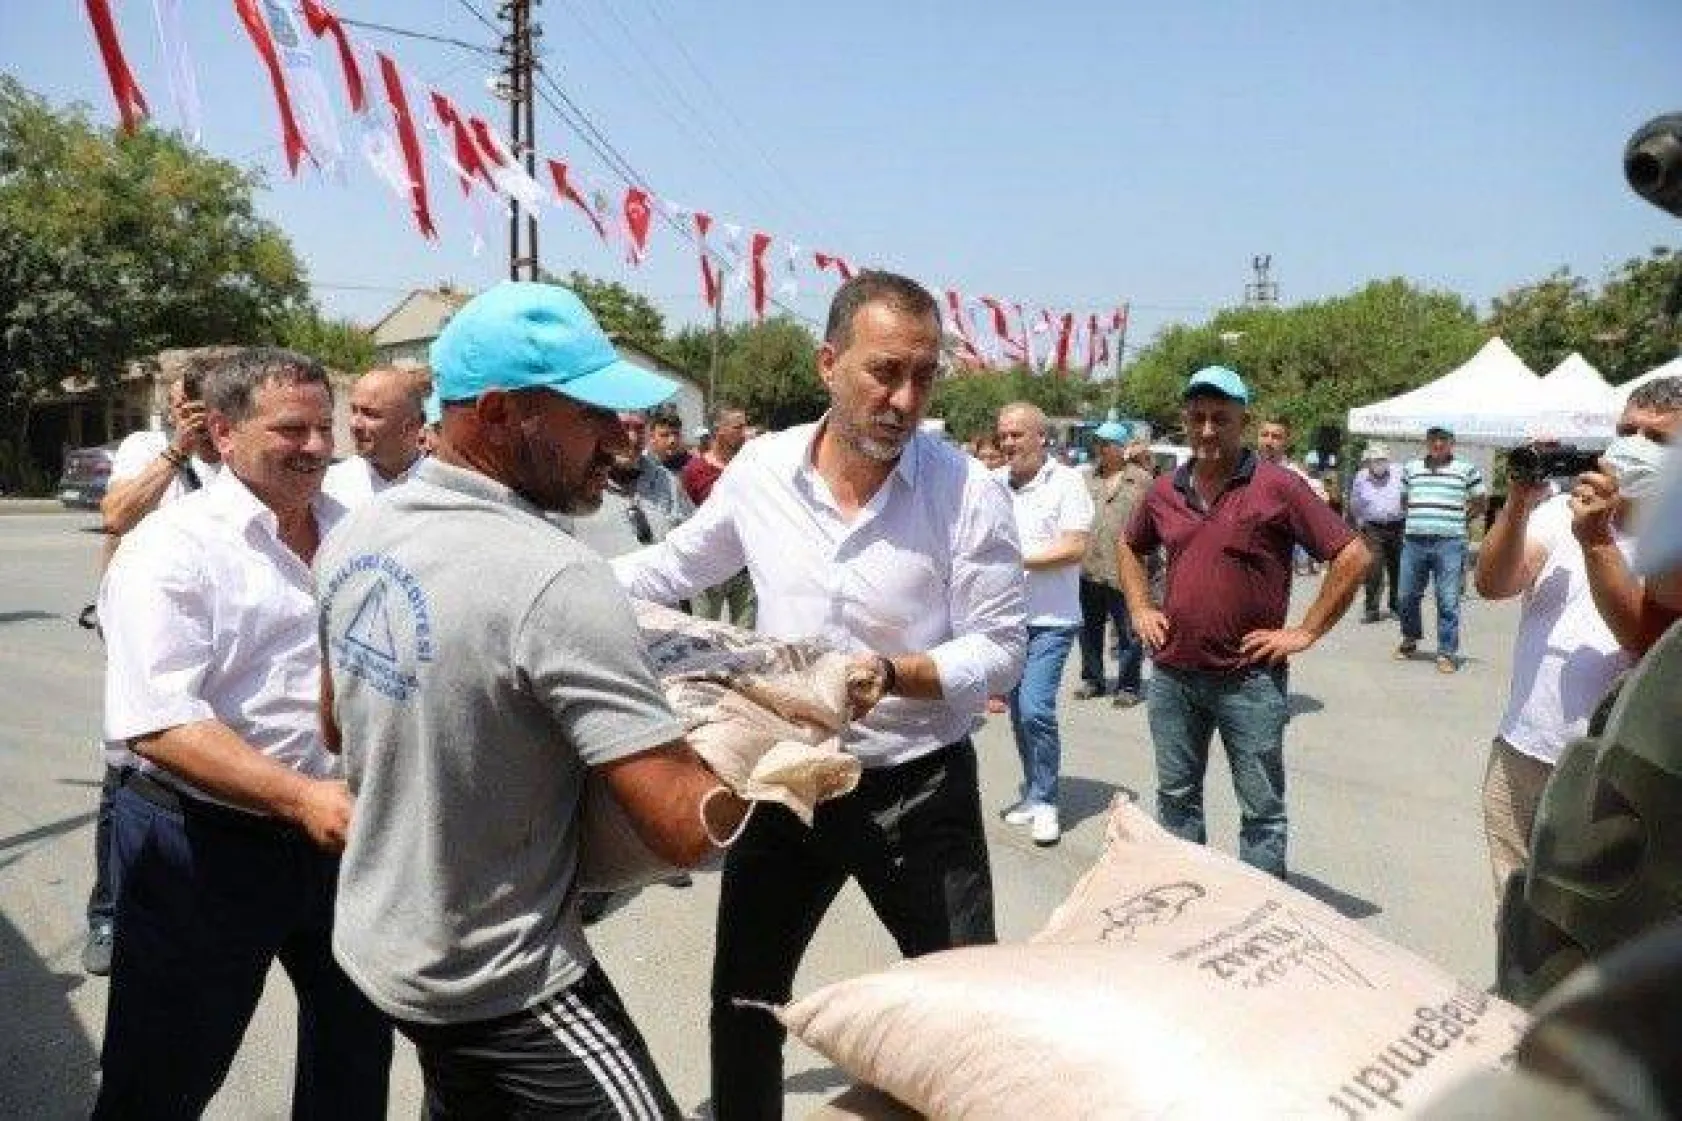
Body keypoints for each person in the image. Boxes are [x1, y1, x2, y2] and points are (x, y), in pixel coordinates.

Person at [317, 282, 803, 1118]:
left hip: (382, 940)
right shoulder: (555, 577)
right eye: (591, 416)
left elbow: (335, 720)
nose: (619, 443)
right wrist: (785, 743)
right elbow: (682, 828)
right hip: (499, 976)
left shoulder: (359, 533)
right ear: (501, 414)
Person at [613, 270, 1026, 1120]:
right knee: (746, 999)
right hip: (788, 776)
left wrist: (897, 671)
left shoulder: (966, 492)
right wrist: (541, 582)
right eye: (884, 372)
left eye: (924, 375)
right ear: (828, 363)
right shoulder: (761, 470)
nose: (905, 398)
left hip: (917, 784)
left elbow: (1003, 647)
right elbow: (676, 567)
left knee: (967, 1016)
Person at [95, 347, 392, 1118]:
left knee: (354, 1060)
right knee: (161, 1078)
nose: (319, 446)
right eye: (292, 428)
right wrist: (300, 796)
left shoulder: (357, 534)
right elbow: (159, 719)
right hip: (199, 846)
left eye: (325, 427)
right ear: (223, 433)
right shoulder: (172, 546)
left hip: (339, 842)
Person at [1118, 366, 1369, 878]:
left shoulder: (1278, 487)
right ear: (1185, 422)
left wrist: (1305, 631)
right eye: (1197, 419)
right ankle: (1190, 902)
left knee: (1261, 811)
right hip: (1172, 676)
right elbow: (1129, 544)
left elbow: (1353, 555)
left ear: (1243, 422)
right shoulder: (1165, 490)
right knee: (1177, 797)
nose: (1208, 431)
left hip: (1248, 680)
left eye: (1221, 419)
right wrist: (1141, 607)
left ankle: (1259, 907)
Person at [1471, 381, 1682, 897]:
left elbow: (1646, 639)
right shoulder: (1561, 513)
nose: (1634, 445)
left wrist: (1599, 541)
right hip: (1523, 750)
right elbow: (1494, 584)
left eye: (1658, 439)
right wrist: (1519, 504)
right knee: (1516, 909)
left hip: (1614, 773)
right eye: (1626, 431)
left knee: (1589, 923)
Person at [80, 362, 224, 977]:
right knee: (128, 762)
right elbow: (115, 513)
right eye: (175, 393)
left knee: (207, 757)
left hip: (213, 626)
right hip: (142, 623)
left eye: (190, 396)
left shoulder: (235, 453)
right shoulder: (147, 446)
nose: (175, 400)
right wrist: (178, 451)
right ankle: (108, 913)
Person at [993, 402, 1093, 846]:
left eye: (1017, 435)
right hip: (1006, 620)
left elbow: (1073, 548)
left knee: (1035, 708)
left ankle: (1048, 801)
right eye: (1003, 436)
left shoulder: (1068, 483)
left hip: (1052, 620)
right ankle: (1033, 793)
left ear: (1040, 437)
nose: (1008, 443)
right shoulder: (992, 484)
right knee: (1017, 714)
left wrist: (1014, 561)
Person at [1074, 422, 1153, 708]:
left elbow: (1153, 523)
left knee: (1129, 632)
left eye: (1106, 443)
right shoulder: (1085, 479)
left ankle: (1128, 686)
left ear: (1121, 448)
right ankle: (1093, 680)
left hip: (1126, 570)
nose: (1100, 449)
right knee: (1088, 629)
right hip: (1089, 568)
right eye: (1098, 443)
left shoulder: (1142, 481)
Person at [1397, 425, 1487, 673]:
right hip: (1414, 540)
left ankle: (1446, 652)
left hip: (1449, 542)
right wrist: (1419, 518)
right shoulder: (1411, 468)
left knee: (1447, 600)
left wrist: (1461, 520)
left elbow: (1480, 502)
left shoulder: (1466, 469)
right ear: (1427, 442)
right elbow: (1404, 500)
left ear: (1451, 443)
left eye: (1443, 439)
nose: (1438, 444)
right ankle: (1410, 637)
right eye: (1433, 439)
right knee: (1406, 595)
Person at [682, 404, 757, 627]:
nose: (745, 433)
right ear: (719, 430)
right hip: (707, 572)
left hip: (746, 570)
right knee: (701, 637)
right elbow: (684, 520)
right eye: (738, 427)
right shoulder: (694, 471)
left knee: (748, 640)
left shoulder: (750, 467)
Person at [321, 365, 431, 507]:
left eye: (370, 414)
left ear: (411, 426)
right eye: (354, 410)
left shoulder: (443, 489)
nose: (355, 424)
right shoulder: (329, 487)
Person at [1348, 442, 1405, 623]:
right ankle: (1371, 609)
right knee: (1374, 569)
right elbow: (1355, 503)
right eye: (1376, 460)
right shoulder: (1361, 477)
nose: (1380, 463)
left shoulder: (1400, 472)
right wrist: (1359, 524)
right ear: (1369, 462)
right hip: (1373, 528)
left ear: (1388, 460)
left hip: (1398, 526)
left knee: (1398, 568)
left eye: (1383, 460)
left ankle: (1396, 606)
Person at [648, 406, 691, 473]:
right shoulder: (642, 466)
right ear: (652, 437)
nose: (672, 440)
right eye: (664, 435)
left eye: (676, 434)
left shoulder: (691, 465)